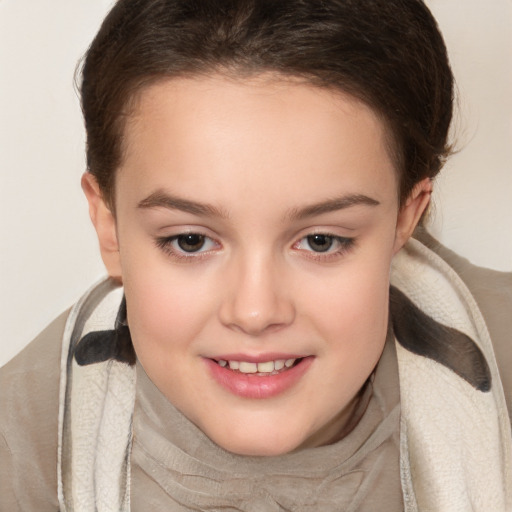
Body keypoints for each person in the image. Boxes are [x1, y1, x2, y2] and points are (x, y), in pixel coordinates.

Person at [1, 0, 511, 510]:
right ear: (109, 225)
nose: (254, 312)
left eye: (321, 241)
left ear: (406, 215)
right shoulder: (19, 451)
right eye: (190, 241)